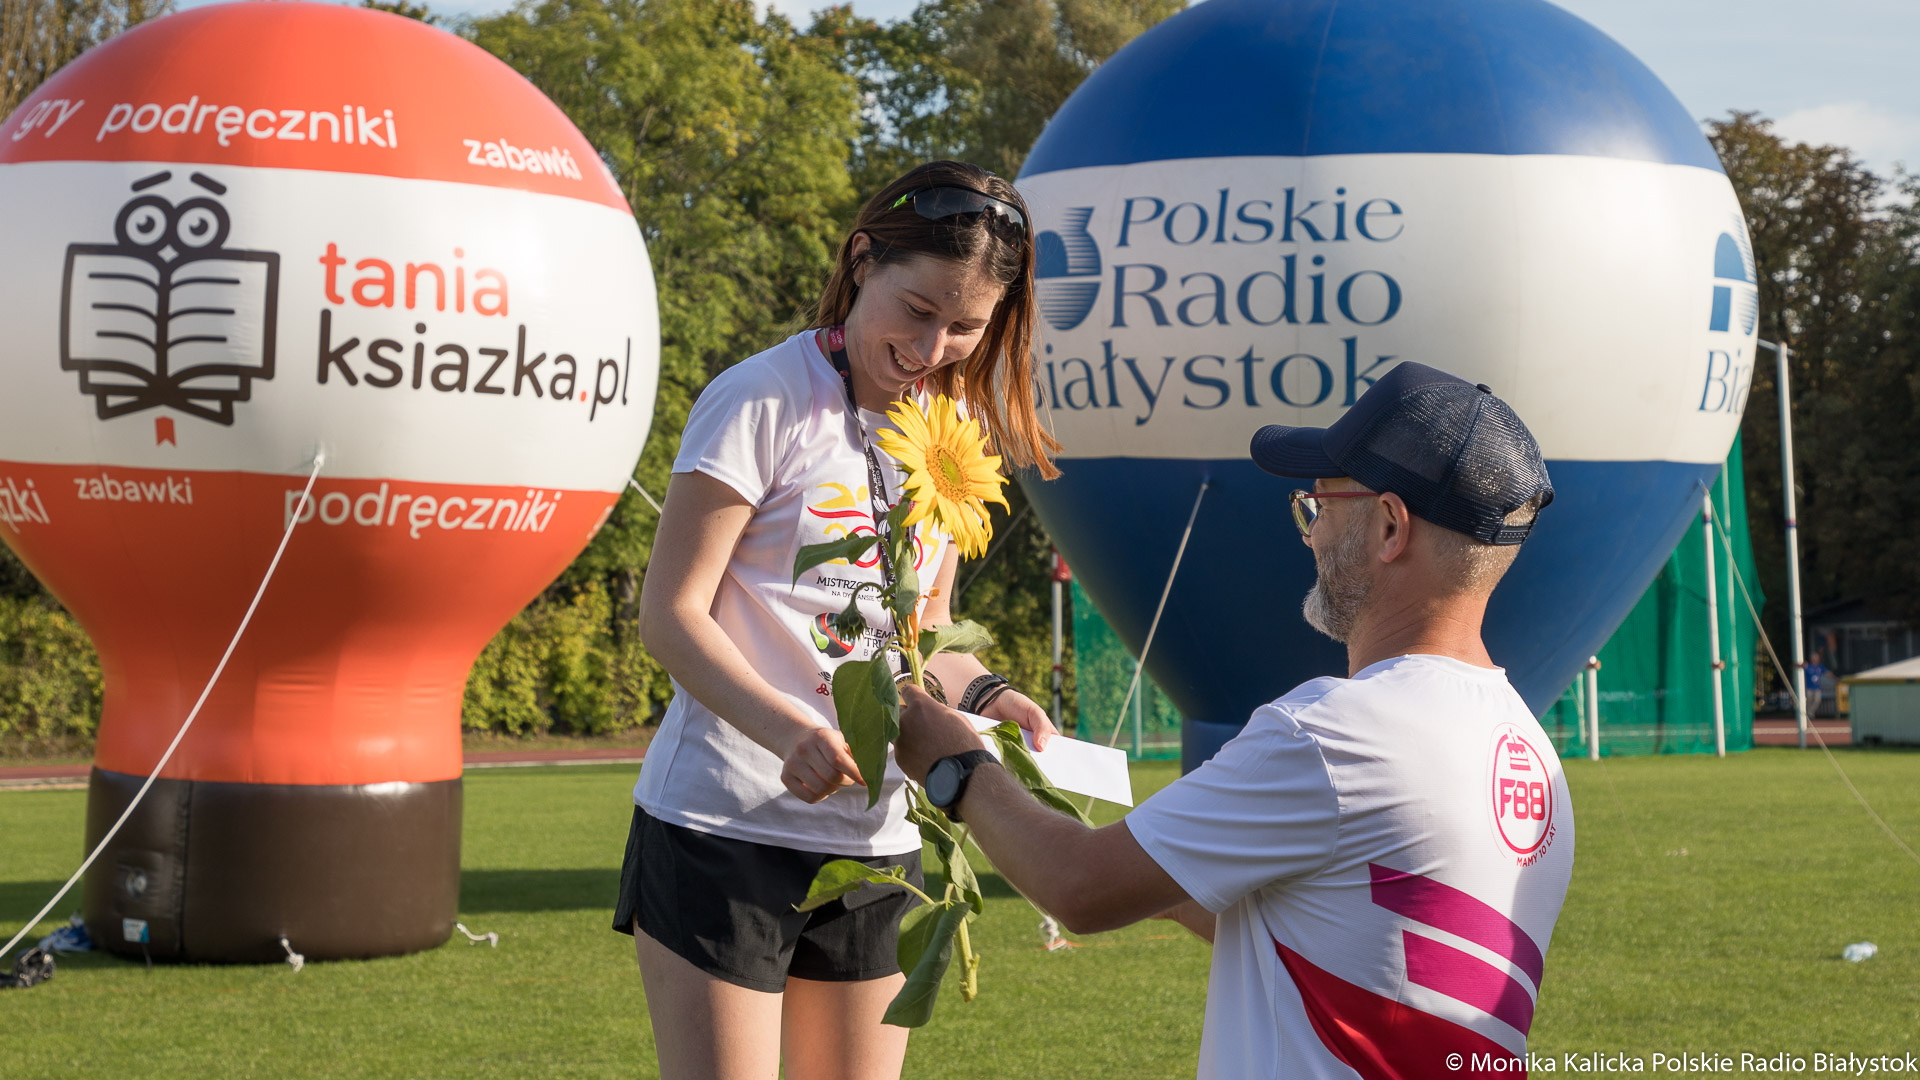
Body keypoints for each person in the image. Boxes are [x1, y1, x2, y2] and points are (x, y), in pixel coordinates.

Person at [896, 362, 1576, 1079]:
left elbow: (1079, 888)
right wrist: (1167, 869)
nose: (1310, 534)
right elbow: (1346, 935)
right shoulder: (1531, 752)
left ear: (1388, 525)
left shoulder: (1331, 734)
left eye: (1319, 504)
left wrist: (955, 766)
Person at [626, 160, 1061, 1080]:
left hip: (876, 841)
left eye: (966, 327)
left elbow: (926, 627)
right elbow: (670, 615)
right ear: (863, 260)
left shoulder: (951, 433)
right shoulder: (761, 399)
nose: (933, 346)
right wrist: (790, 732)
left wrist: (990, 695)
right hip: (722, 828)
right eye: (918, 309)